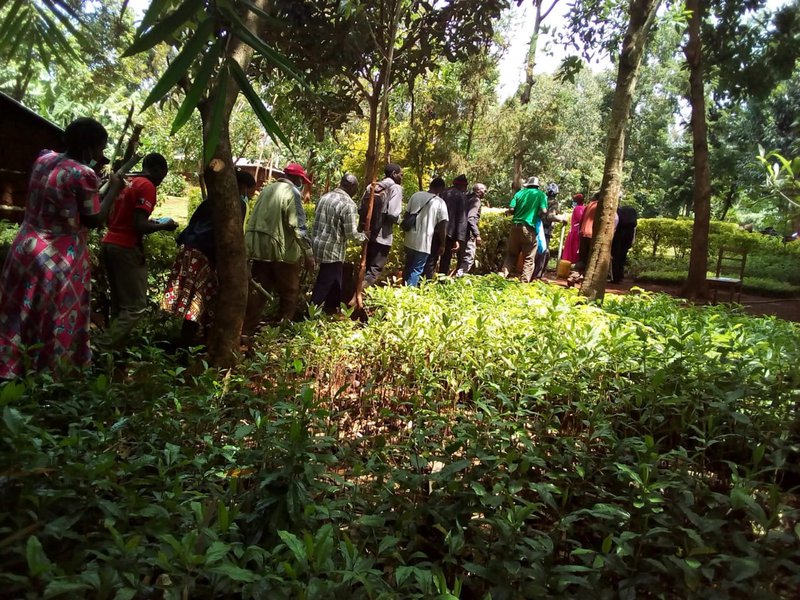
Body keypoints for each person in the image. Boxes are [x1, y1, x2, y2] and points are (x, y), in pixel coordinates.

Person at [0, 117, 121, 378]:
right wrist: (115, 190)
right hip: (58, 258)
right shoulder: (83, 174)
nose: (102, 155)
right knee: (54, 316)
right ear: (89, 148)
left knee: (21, 308)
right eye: (100, 149)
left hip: (25, 248)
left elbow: (67, 198)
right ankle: (49, 375)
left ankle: (11, 368)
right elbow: (94, 218)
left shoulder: (43, 159)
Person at [161, 169, 257, 347]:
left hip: (188, 248)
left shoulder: (212, 198)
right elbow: (232, 236)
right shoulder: (238, 204)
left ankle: (187, 339)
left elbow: (192, 223)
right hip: (203, 254)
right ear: (243, 188)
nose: (251, 196)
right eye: (251, 192)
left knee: (190, 296)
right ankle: (186, 344)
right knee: (199, 298)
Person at [101, 152, 177, 346]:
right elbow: (139, 225)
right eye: (163, 175)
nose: (161, 180)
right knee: (135, 307)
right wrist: (163, 225)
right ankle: (102, 346)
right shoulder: (147, 186)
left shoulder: (128, 181)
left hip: (109, 242)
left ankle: (114, 354)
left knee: (120, 304)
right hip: (126, 247)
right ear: (159, 170)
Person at [242, 162, 314, 334]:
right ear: (296, 178)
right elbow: (298, 227)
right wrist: (308, 254)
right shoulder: (293, 193)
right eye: (300, 180)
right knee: (289, 293)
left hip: (259, 250)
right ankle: (281, 331)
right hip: (282, 254)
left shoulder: (267, 189)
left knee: (258, 295)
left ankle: (246, 332)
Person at [310, 173, 365, 313]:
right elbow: (351, 234)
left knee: (335, 280)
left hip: (317, 245)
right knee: (324, 282)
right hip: (332, 250)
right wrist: (364, 236)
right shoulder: (348, 204)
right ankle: (310, 313)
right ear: (351, 187)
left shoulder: (325, 197)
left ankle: (332, 309)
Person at [357, 163, 403, 290]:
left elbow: (360, 209)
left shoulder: (371, 186)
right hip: (383, 237)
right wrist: (400, 219)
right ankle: (356, 297)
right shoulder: (395, 188)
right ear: (394, 174)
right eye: (401, 174)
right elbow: (393, 214)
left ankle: (358, 297)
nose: (401, 177)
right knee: (374, 271)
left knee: (366, 268)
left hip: (368, 234)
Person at [500, 176, 548, 282]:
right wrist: (537, 215)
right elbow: (544, 211)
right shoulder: (541, 195)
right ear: (537, 186)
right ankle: (524, 282)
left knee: (511, 254)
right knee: (529, 257)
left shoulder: (519, 193)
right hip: (529, 228)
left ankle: (502, 276)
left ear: (527, 185)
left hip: (515, 227)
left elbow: (511, 209)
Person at [403, 177, 448, 286]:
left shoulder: (416, 195)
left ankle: (403, 289)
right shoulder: (440, 202)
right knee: (417, 269)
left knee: (408, 265)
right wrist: (443, 244)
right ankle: (409, 293)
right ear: (441, 189)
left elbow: (406, 215)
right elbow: (443, 225)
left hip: (409, 238)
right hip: (424, 241)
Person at [428, 174, 468, 276]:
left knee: (432, 258)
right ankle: (442, 283)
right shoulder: (461, 196)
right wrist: (459, 240)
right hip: (449, 234)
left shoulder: (442, 193)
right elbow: (461, 219)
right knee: (445, 260)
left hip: (435, 230)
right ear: (464, 186)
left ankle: (426, 282)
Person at [532, 182, 565, 279]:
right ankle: (537, 275)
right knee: (543, 252)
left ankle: (534, 273)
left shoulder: (541, 199)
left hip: (535, 226)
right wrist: (561, 219)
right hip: (544, 229)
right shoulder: (554, 202)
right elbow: (550, 216)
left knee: (536, 250)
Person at [454, 182, 487, 277]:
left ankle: (456, 281)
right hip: (468, 234)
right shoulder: (476, 200)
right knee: (468, 258)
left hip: (461, 233)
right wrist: (477, 234)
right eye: (484, 191)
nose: (485, 193)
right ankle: (458, 277)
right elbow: (471, 218)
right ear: (478, 191)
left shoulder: (466, 198)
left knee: (461, 258)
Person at [611, 205, 638, 283]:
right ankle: (621, 275)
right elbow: (635, 229)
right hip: (628, 236)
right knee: (623, 257)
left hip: (619, 236)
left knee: (616, 257)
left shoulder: (619, 212)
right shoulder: (631, 222)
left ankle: (615, 278)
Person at [575, 192, 599, 273]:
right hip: (592, 234)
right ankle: (583, 275)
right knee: (590, 257)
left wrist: (580, 231)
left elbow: (582, 220)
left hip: (584, 232)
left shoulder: (590, 205)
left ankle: (576, 274)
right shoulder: (601, 206)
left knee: (582, 257)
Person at [562, 193, 585, 264]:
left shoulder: (578, 208)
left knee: (573, 249)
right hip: (576, 230)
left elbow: (580, 218)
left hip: (575, 231)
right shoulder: (584, 207)